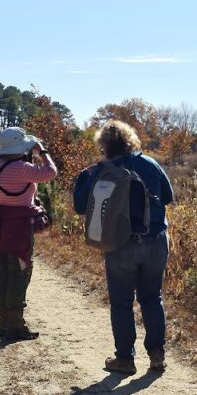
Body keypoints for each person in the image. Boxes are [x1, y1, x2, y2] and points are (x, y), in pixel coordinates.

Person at [73, 120, 174, 376]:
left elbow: (80, 205)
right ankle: (157, 355)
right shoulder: (149, 163)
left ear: (104, 146)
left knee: (121, 303)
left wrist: (87, 176)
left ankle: (125, 360)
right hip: (156, 241)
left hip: (120, 244)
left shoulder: (102, 171)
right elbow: (168, 197)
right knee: (152, 298)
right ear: (130, 141)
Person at [0, 127, 57, 340]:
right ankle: (15, 325)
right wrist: (43, 152)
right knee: (20, 272)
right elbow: (51, 172)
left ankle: (4, 323)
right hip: (19, 225)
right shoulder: (22, 168)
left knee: (4, 272)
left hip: (0, 222)